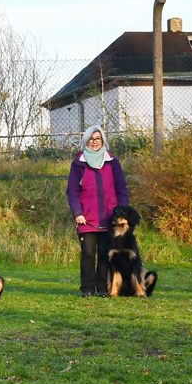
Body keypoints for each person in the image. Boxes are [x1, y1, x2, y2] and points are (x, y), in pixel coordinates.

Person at [66, 125, 129, 297]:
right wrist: (78, 213)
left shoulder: (112, 162)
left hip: (109, 217)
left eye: (98, 138)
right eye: (91, 139)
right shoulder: (78, 164)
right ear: (86, 141)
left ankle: (103, 288)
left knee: (104, 254)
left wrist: (122, 213)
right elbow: (72, 191)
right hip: (86, 218)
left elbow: (121, 189)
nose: (95, 142)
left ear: (103, 141)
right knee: (88, 253)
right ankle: (87, 289)